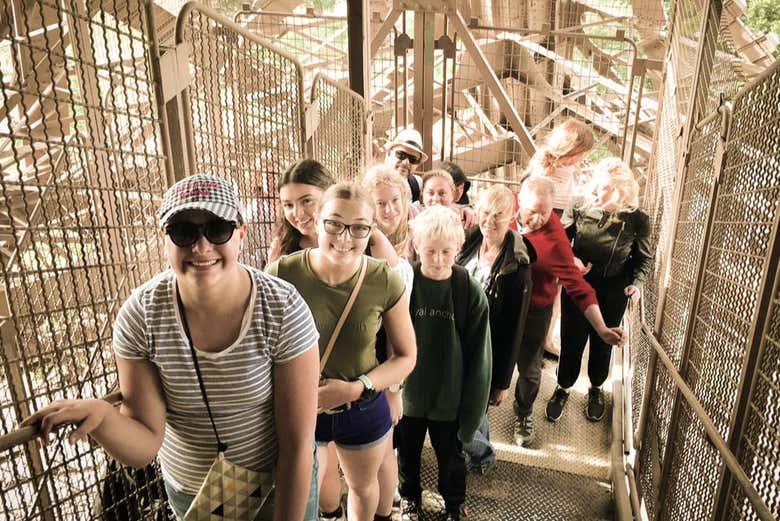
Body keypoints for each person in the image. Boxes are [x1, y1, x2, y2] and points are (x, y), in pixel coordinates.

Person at [22, 174, 322, 521]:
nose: (201, 246)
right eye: (184, 231)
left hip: (277, 484)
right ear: (164, 239)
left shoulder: (281, 308)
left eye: (218, 229)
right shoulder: (142, 315)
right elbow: (145, 443)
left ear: (241, 232)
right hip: (193, 493)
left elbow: (297, 445)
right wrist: (102, 417)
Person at [267, 182, 417, 521]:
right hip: (300, 409)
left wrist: (356, 387)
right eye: (334, 223)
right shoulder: (283, 273)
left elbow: (406, 356)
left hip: (361, 406)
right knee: (309, 487)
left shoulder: (384, 279)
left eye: (359, 228)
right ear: (317, 221)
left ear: (371, 231)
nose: (345, 237)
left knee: (363, 487)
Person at [513, 176, 624, 446]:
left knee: (529, 368)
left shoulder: (555, 240)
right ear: (519, 201)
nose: (537, 218)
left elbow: (578, 287)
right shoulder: (504, 211)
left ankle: (524, 413)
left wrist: (601, 328)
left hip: (535, 309)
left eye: (545, 212)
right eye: (531, 211)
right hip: (501, 304)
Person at [398, 206, 492, 521]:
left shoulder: (469, 292)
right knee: (407, 455)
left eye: (446, 252)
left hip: (448, 399)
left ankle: (454, 503)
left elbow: (481, 359)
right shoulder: (404, 285)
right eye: (430, 251)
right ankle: (408, 496)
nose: (438, 259)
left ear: (459, 248)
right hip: (408, 396)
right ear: (416, 246)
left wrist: (473, 413)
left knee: (451, 458)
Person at [547, 158, 652, 422]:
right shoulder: (580, 205)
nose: (594, 191)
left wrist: (636, 284)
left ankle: (596, 388)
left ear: (620, 190)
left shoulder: (638, 219)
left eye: (602, 187)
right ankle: (563, 387)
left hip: (614, 287)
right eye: (594, 183)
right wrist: (571, 259)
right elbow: (560, 240)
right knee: (572, 337)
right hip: (579, 282)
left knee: (603, 341)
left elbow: (644, 258)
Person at [456, 185, 533, 474]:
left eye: (498, 215)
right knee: (471, 409)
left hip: (486, 350)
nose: (489, 221)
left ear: (512, 217)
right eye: (485, 212)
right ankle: (479, 452)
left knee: (471, 410)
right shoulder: (466, 243)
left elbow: (515, 328)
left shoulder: (518, 267)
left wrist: (502, 381)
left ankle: (482, 455)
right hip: (458, 344)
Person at [362, 164, 415, 259]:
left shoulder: (416, 225)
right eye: (381, 203)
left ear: (403, 196)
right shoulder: (363, 238)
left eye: (395, 200)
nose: (389, 210)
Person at [384, 128, 427, 203]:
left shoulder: (417, 184)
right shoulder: (373, 184)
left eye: (413, 159)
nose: (405, 162)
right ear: (389, 152)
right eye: (401, 155)